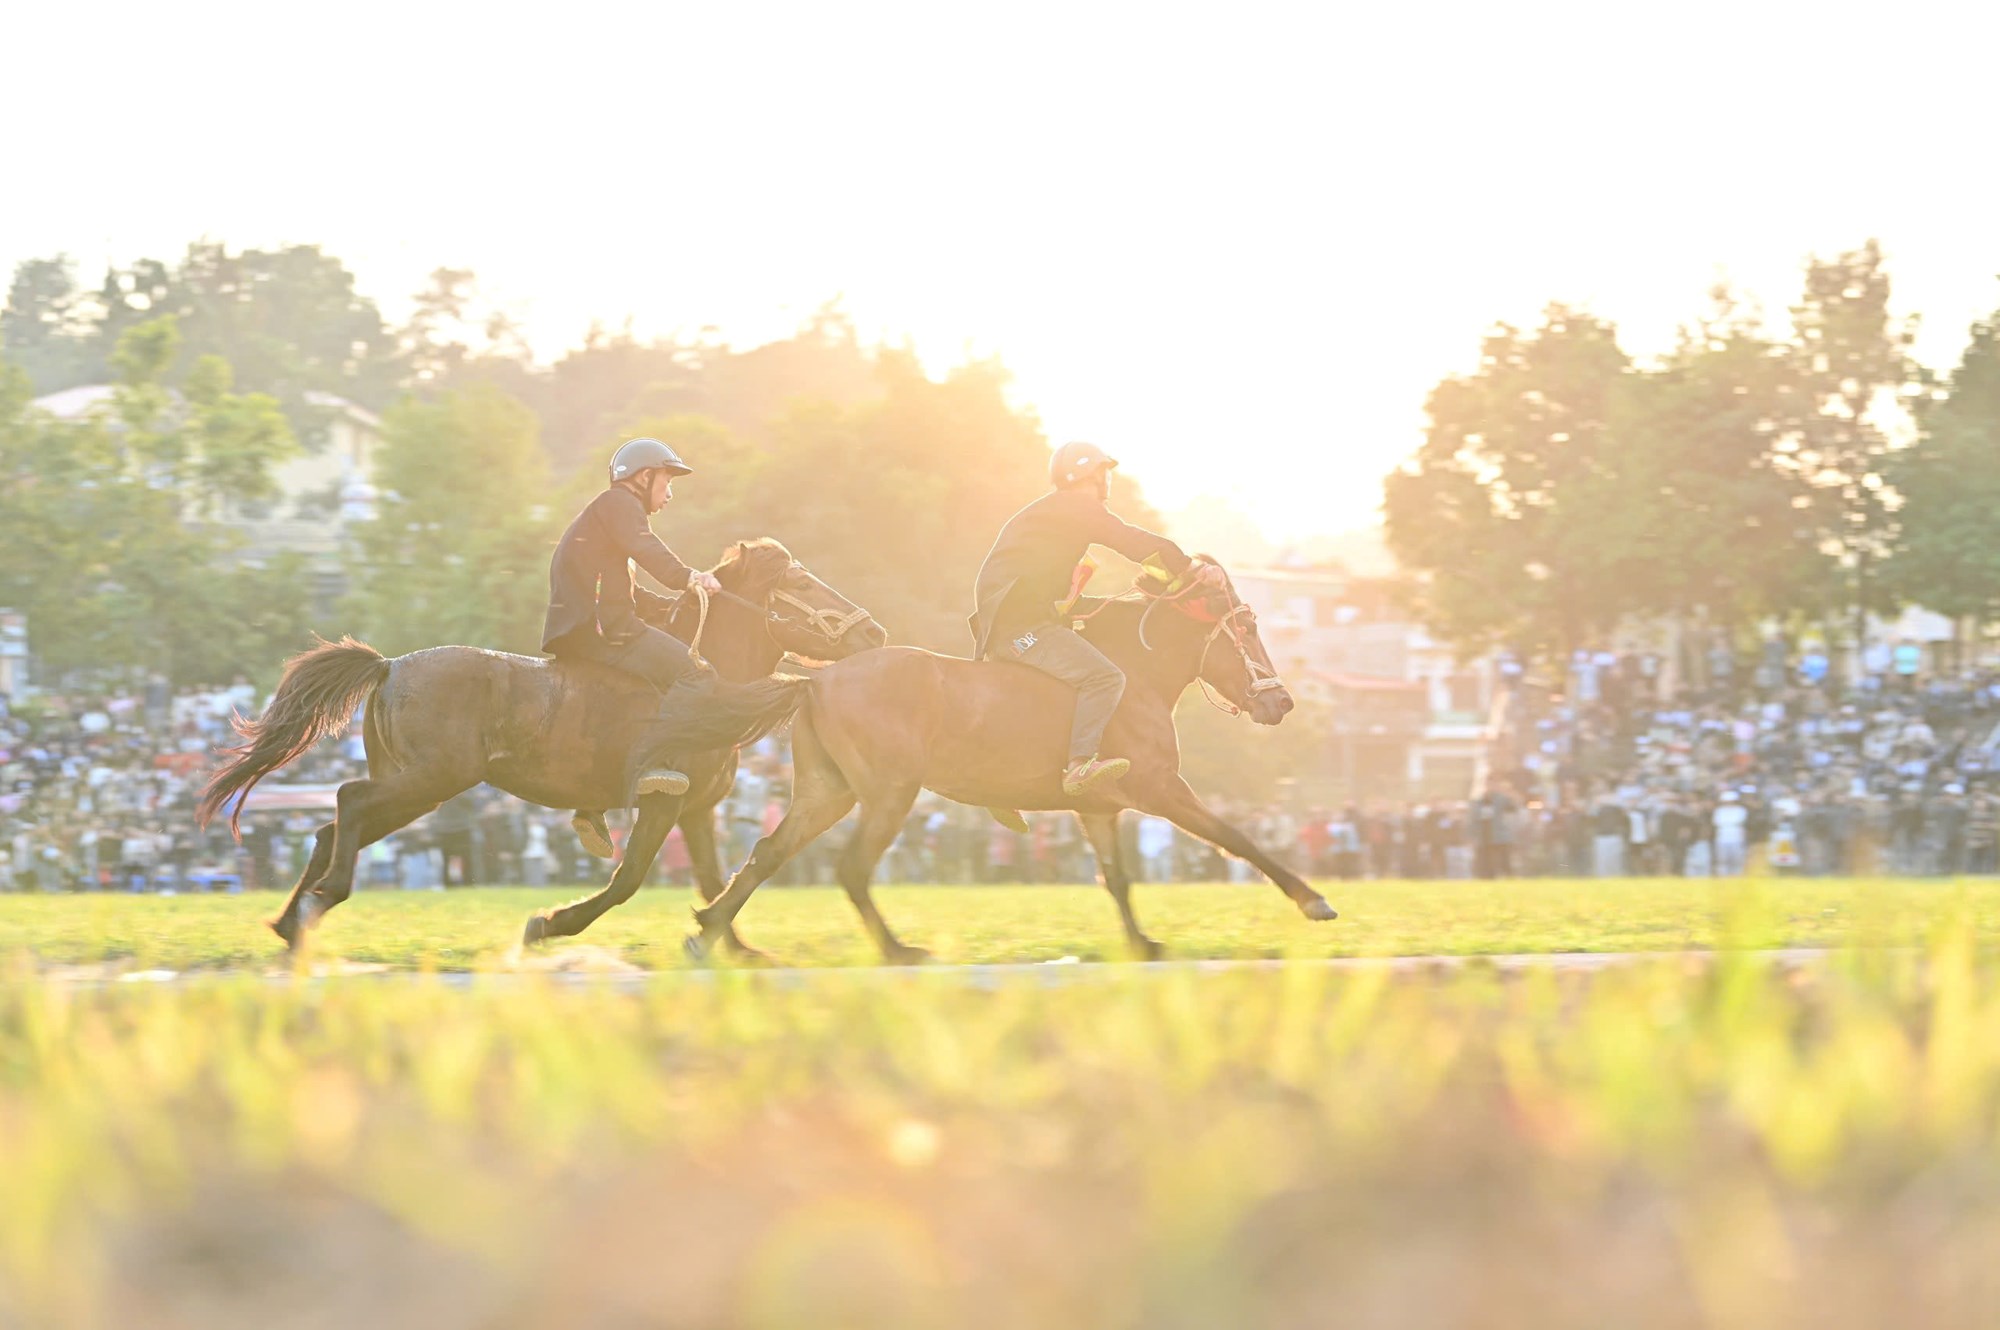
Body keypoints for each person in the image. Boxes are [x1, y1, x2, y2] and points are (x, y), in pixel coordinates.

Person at [968, 441, 1221, 796]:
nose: (1107, 481)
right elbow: (1132, 542)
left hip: (1013, 621)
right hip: (1022, 632)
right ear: (1092, 475)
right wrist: (1192, 569)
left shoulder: (1054, 513)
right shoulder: (1076, 507)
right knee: (1104, 678)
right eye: (1104, 473)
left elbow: (1051, 591)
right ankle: (1079, 764)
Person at [542, 438, 725, 858]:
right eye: (667, 480)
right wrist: (690, 578)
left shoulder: (609, 516)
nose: (670, 492)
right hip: (601, 630)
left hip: (588, 627)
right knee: (695, 674)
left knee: (640, 694)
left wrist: (675, 603)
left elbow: (624, 588)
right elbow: (648, 550)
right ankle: (660, 765)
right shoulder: (620, 506)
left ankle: (591, 804)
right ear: (643, 478)